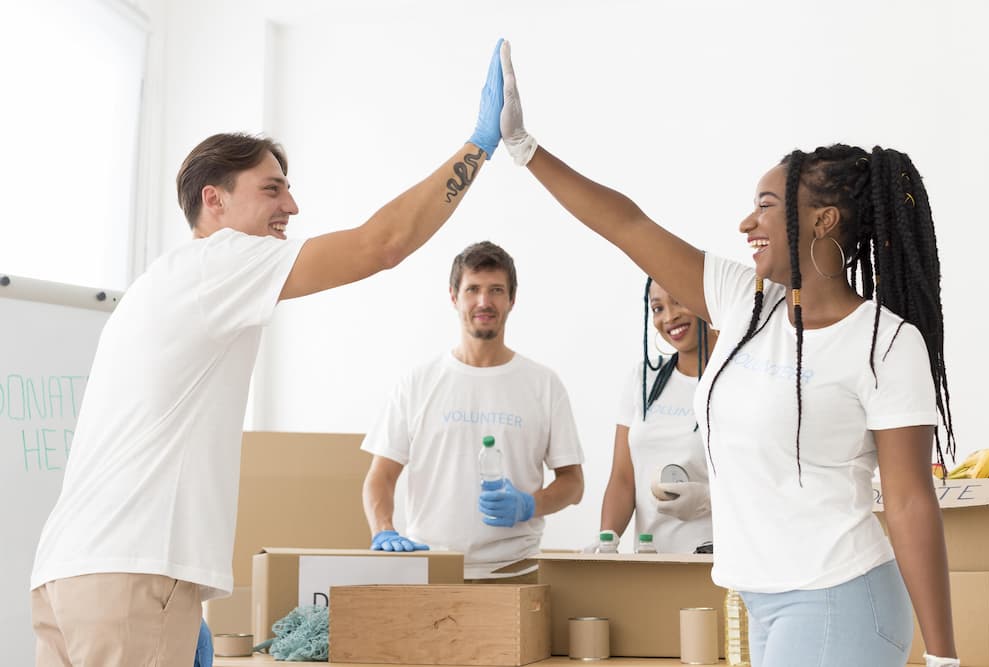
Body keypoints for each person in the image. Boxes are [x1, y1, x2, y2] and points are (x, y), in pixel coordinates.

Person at [29, 39, 507, 667]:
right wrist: (479, 146)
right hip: (132, 575)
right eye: (272, 189)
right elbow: (382, 245)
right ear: (214, 201)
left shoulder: (161, 284)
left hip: (70, 574)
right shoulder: (222, 261)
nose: (293, 206)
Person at [495, 41, 959, 667]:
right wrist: (525, 149)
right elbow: (627, 225)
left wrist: (944, 657)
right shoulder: (746, 302)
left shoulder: (885, 343)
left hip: (840, 596)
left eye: (767, 206)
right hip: (760, 600)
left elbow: (908, 502)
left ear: (823, 222)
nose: (746, 223)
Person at [361, 240, 585, 582]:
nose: (484, 301)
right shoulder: (417, 383)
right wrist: (383, 530)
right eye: (473, 290)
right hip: (432, 570)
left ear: (512, 299)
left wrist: (529, 504)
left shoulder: (543, 384)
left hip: (517, 570)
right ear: (454, 297)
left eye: (496, 290)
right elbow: (380, 477)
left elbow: (573, 483)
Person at [587, 279, 717, 555]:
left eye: (679, 300)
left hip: (718, 560)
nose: (669, 317)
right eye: (657, 308)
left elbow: (765, 482)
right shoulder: (644, 379)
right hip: (651, 560)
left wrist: (709, 500)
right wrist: (607, 540)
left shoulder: (738, 380)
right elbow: (623, 478)